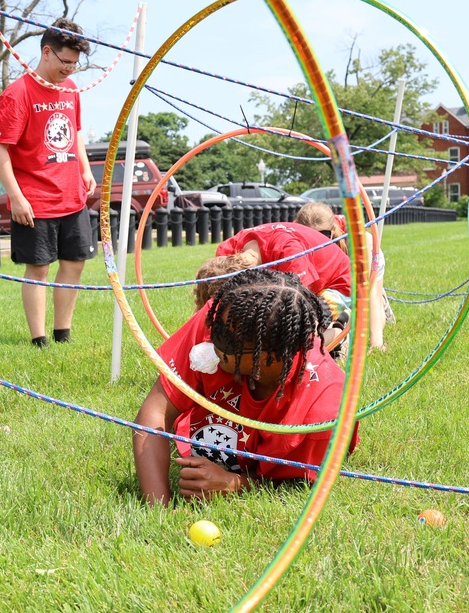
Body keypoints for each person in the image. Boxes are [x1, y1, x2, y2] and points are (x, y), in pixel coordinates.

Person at [133, 270, 359, 507]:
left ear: (269, 356)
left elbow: (296, 483)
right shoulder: (224, 317)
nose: (210, 337)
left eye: (224, 341)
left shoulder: (323, 414)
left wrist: (234, 483)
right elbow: (155, 413)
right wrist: (160, 507)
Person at [0, 18, 96, 348]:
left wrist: (86, 169)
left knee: (74, 263)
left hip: (71, 195)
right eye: (65, 62)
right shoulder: (17, 94)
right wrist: (16, 198)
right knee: (39, 269)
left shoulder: (70, 89)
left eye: (76, 64)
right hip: (35, 198)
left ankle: (63, 334)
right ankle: (39, 339)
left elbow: (75, 130)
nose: (70, 70)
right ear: (46, 52)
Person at [194, 220, 351, 350]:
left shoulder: (288, 254)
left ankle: (338, 332)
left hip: (336, 283)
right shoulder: (226, 250)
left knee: (293, 338)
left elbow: (302, 306)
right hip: (298, 281)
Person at [296, 201, 393, 351]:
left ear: (333, 229)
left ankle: (384, 304)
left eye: (322, 236)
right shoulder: (291, 235)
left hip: (363, 270)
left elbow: (369, 294)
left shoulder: (360, 240)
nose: (315, 241)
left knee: (371, 307)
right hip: (330, 277)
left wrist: (376, 344)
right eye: (309, 236)